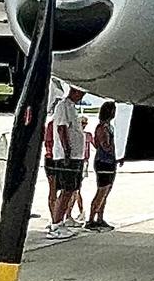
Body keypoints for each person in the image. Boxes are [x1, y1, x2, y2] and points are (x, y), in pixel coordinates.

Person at [47, 86, 87, 227]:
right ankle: (56, 224)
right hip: (67, 156)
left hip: (76, 156)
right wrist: (67, 151)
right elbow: (61, 128)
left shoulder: (71, 107)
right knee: (66, 190)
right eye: (81, 93)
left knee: (71, 190)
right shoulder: (63, 106)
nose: (81, 97)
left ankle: (64, 219)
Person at [86, 102, 120, 229]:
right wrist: (117, 150)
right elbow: (105, 146)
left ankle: (99, 217)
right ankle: (91, 219)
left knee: (105, 191)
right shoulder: (103, 128)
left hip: (109, 162)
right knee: (102, 191)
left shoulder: (108, 127)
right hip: (104, 162)